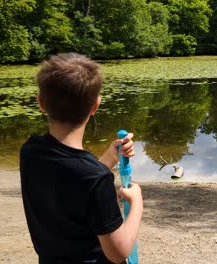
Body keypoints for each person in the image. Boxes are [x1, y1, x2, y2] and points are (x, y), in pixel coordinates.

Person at [20, 53, 143, 264]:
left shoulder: (30, 152)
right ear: (95, 106)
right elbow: (118, 252)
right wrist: (137, 203)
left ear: (41, 102)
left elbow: (72, 184)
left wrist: (109, 157)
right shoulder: (96, 178)